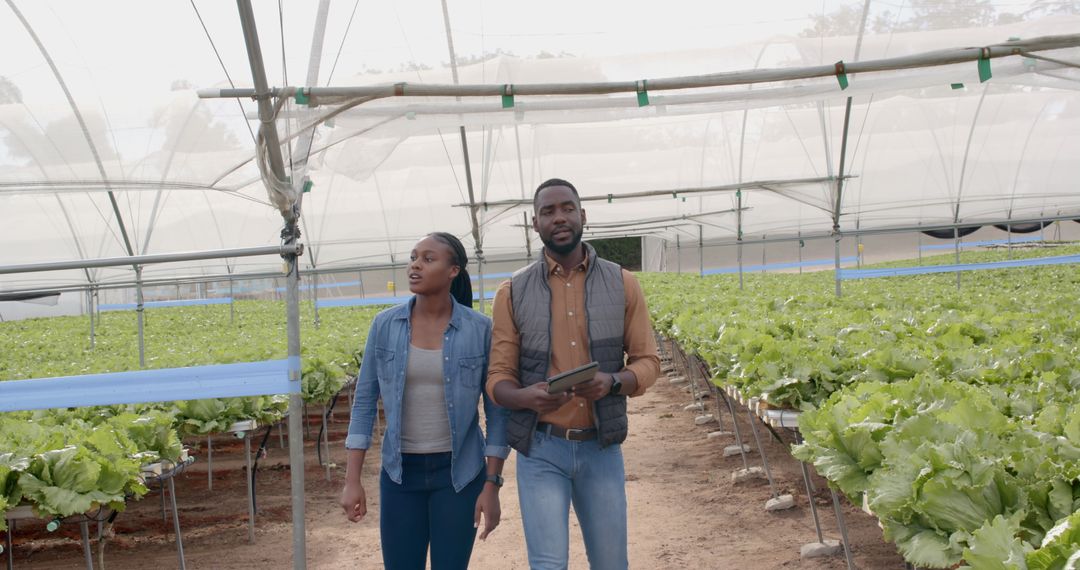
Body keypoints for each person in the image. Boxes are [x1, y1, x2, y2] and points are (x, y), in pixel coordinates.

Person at [486, 179, 661, 570]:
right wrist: (525, 397)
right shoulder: (512, 292)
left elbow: (648, 361)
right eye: (548, 212)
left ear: (583, 216)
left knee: (611, 562)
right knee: (548, 565)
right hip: (541, 449)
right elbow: (498, 377)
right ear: (535, 224)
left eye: (567, 208)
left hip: (601, 447)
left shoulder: (622, 282)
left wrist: (612, 382)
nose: (559, 217)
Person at [341, 232, 509, 570]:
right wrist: (351, 480)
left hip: (459, 475)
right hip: (400, 475)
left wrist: (492, 484)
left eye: (428, 259)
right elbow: (363, 404)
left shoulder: (480, 329)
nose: (415, 265)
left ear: (453, 271)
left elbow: (498, 414)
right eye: (414, 257)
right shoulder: (385, 326)